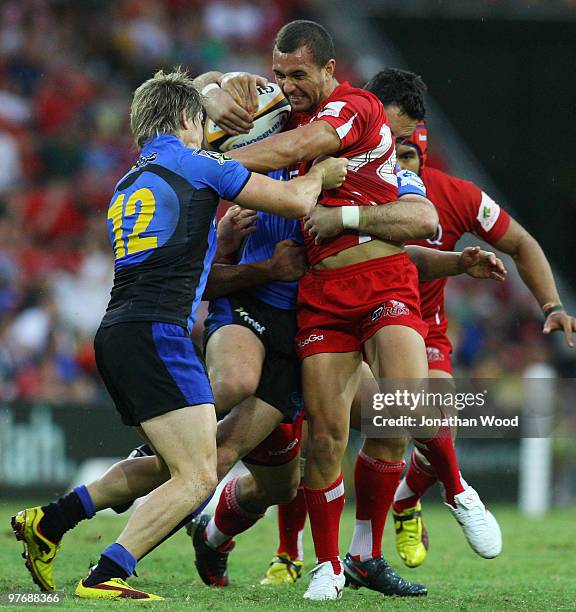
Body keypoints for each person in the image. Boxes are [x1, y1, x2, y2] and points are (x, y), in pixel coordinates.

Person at [10, 68, 348, 600]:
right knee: (196, 477)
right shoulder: (197, 163)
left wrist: (220, 238)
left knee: (174, 465)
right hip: (159, 335)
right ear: (191, 119)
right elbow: (297, 202)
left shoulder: (129, 180)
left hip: (119, 331)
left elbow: (179, 247)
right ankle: (107, 574)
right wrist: (322, 173)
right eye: (203, 120)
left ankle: (50, 523)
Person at [199, 21, 507, 601]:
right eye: (279, 74)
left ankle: (457, 490)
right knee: (325, 439)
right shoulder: (283, 113)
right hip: (318, 295)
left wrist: (210, 161)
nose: (286, 85)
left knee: (406, 409)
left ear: (329, 71)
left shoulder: (354, 107)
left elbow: (417, 219)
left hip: (383, 280)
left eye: (298, 75)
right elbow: (215, 85)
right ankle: (331, 564)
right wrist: (215, 93)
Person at [283, 67, 576, 573]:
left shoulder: (443, 192)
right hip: (337, 304)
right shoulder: (334, 154)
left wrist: (551, 306)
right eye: (397, 139)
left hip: (415, 317)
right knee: (326, 433)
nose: (398, 148)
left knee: (418, 418)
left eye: (409, 144)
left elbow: (512, 242)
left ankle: (404, 511)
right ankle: (292, 547)